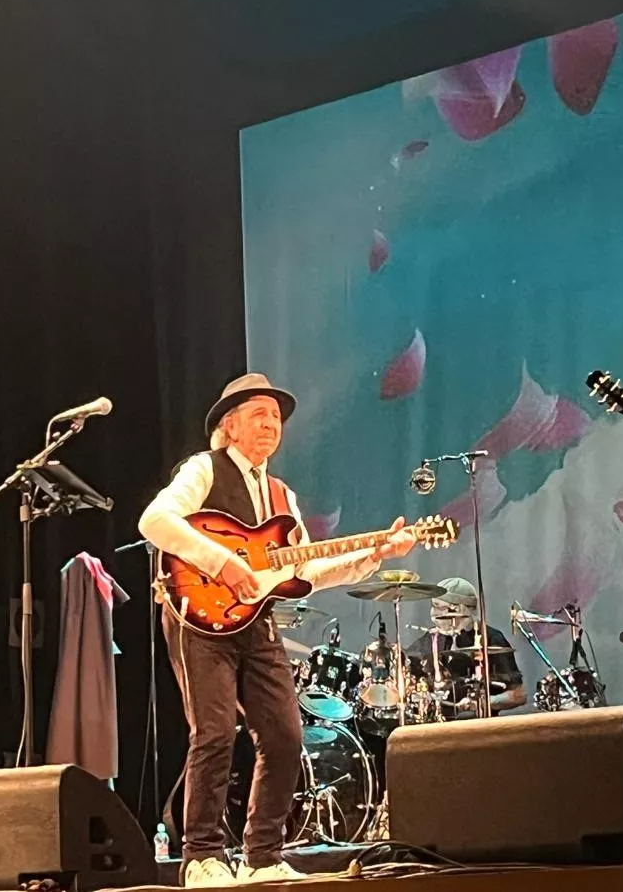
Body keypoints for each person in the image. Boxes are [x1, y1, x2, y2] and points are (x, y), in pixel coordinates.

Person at [140, 373, 416, 886]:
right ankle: (201, 855)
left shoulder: (279, 495)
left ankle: (262, 855)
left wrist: (372, 554)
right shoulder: (203, 469)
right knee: (216, 732)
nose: (271, 424)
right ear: (229, 425)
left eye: (276, 417)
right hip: (199, 616)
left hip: (256, 622)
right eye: (258, 415)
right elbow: (155, 522)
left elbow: (305, 571)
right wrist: (222, 563)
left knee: (286, 735)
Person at [404, 578, 525, 716]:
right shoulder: (430, 639)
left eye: (438, 606)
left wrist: (484, 703)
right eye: (432, 605)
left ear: (458, 608)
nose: (433, 613)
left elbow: (519, 694)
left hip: (477, 728)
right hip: (435, 727)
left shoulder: (490, 638)